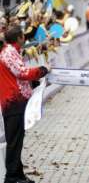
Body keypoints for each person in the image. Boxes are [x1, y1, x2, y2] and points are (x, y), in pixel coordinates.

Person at [0, 26, 50, 183]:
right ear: (20, 38)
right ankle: (11, 177)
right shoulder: (8, 53)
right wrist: (43, 70)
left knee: (17, 140)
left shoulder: (10, 51)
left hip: (16, 100)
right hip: (13, 102)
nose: (25, 38)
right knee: (14, 142)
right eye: (23, 36)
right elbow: (21, 73)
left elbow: (16, 76)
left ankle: (18, 175)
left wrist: (34, 82)